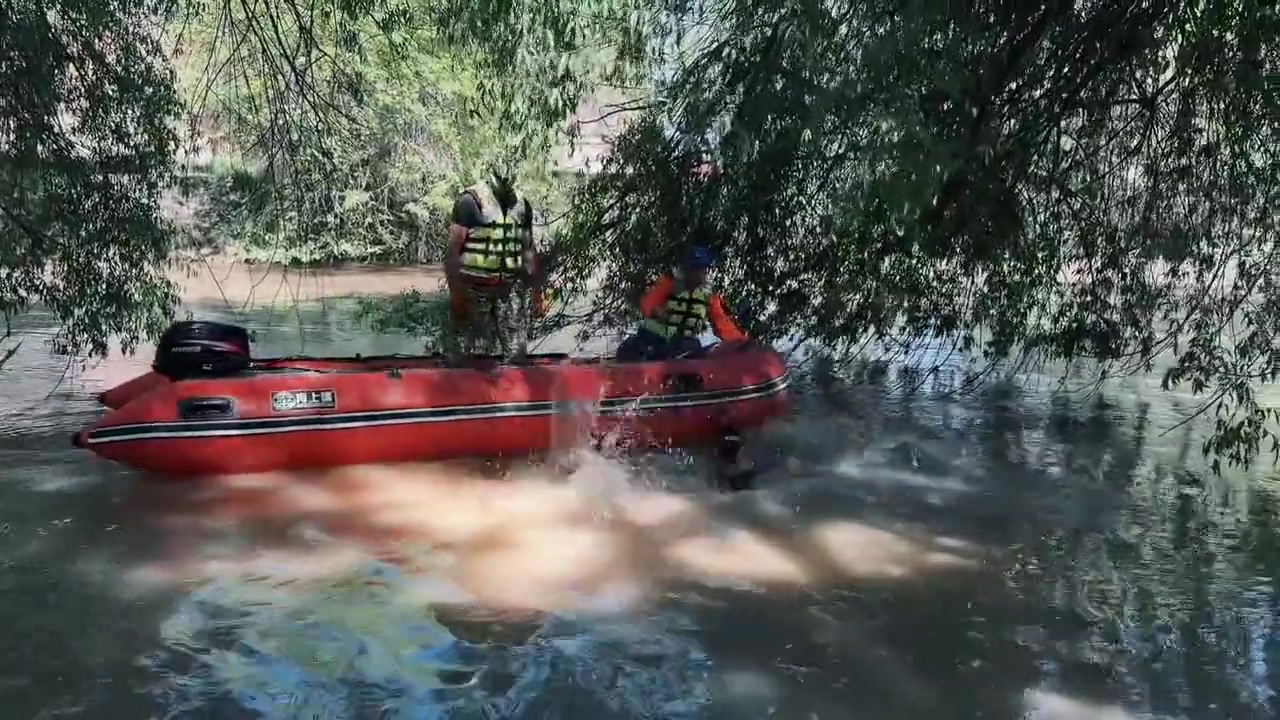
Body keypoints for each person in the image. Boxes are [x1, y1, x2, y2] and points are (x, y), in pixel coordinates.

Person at [442, 165, 546, 362]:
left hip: (509, 290)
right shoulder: (470, 202)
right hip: (474, 290)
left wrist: (537, 293)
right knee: (469, 357)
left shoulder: (522, 205)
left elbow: (529, 251)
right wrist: (457, 295)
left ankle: (513, 375)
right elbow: (453, 252)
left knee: (516, 356)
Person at [615, 245, 748, 362]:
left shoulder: (708, 296)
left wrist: (739, 341)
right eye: (694, 269)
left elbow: (722, 322)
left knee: (692, 347)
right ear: (685, 269)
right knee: (632, 349)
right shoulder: (668, 284)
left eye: (702, 269)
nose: (698, 274)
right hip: (653, 339)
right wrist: (656, 311)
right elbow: (648, 303)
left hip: (682, 344)